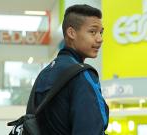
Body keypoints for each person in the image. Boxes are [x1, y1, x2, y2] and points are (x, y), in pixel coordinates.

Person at [34, 4, 109, 135]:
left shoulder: (44, 75)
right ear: (71, 33)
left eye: (101, 32)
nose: (100, 39)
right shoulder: (82, 75)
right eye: (92, 32)